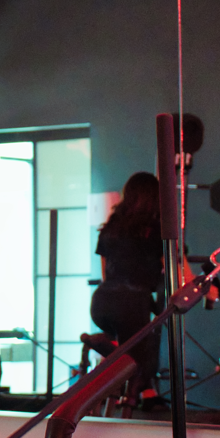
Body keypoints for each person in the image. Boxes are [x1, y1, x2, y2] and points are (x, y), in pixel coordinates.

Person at [91, 172, 164, 405]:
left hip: (101, 302)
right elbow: (173, 266)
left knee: (136, 348)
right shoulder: (156, 230)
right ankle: (134, 395)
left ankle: (143, 390)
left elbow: (105, 272)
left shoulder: (110, 227)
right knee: (143, 351)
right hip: (131, 303)